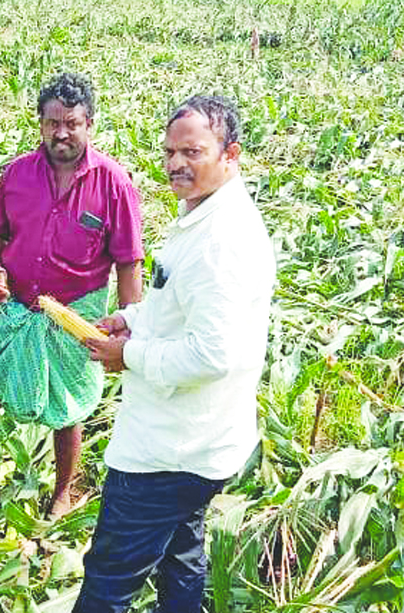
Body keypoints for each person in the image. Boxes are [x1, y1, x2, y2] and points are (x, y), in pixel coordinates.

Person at [74, 95, 276, 613]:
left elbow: (213, 354)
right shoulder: (202, 213)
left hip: (169, 451)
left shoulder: (221, 241)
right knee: (181, 558)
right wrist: (133, 319)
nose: (176, 164)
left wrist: (130, 355)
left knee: (110, 578)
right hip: (199, 445)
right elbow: (177, 307)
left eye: (192, 152)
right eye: (169, 152)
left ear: (230, 155)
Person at [0, 73, 144, 520]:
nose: (61, 134)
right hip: (18, 304)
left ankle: (63, 491)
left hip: (77, 309)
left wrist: (132, 325)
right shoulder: (17, 174)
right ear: (40, 123)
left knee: (67, 405)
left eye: (71, 123)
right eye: (52, 123)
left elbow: (129, 262)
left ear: (89, 123)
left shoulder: (113, 184)